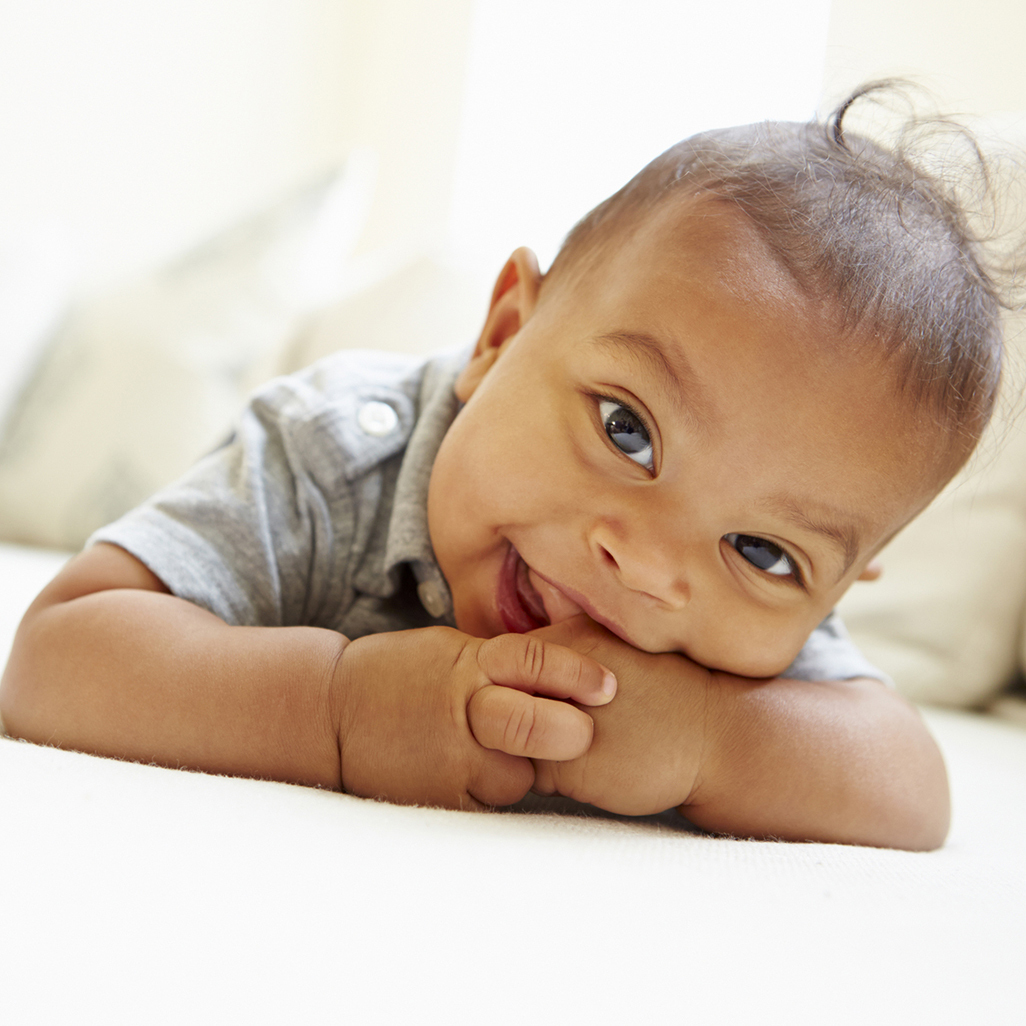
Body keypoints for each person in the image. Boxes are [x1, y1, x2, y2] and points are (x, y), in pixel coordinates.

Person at [0, 85, 1009, 851]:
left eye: (761, 548)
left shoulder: (748, 630)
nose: (649, 567)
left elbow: (913, 793)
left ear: (833, 584)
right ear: (501, 334)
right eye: (628, 431)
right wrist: (336, 705)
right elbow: (59, 659)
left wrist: (713, 741)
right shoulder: (333, 453)